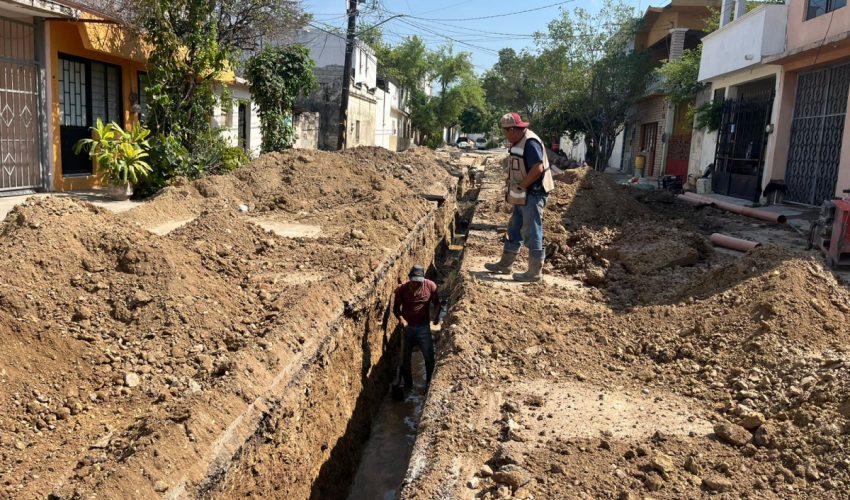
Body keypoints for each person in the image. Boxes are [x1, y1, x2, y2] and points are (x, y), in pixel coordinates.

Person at [485, 112, 555, 282]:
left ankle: (534, 271)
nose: (504, 135)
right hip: (522, 194)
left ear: (514, 129)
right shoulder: (518, 141)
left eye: (505, 131)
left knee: (532, 230)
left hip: (534, 193)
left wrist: (522, 185)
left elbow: (537, 168)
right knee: (514, 228)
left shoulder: (530, 142)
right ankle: (505, 264)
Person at [393, 265, 440, 387]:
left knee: (429, 357)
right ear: (409, 278)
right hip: (407, 329)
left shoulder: (430, 286)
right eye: (413, 281)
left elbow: (437, 304)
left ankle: (429, 384)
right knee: (405, 360)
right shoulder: (402, 289)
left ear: (423, 280)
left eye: (418, 282)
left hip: (423, 328)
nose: (415, 285)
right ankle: (408, 386)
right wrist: (401, 319)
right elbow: (396, 309)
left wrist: (436, 316)